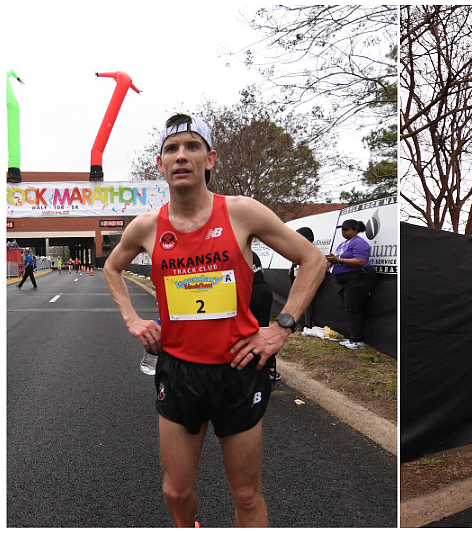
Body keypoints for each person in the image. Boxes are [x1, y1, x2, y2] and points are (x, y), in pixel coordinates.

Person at [103, 113, 326, 527]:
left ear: (210, 159)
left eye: (192, 147)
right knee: (175, 490)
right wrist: (132, 319)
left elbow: (313, 259)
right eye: (172, 149)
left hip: (238, 370)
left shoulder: (243, 212)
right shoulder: (147, 226)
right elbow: (112, 268)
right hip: (180, 370)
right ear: (160, 164)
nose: (181, 156)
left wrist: (283, 327)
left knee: (244, 493)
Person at [325, 219, 377, 350]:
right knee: (350, 308)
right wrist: (332, 261)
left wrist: (339, 260)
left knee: (353, 308)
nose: (344, 232)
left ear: (355, 230)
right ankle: (354, 337)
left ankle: (358, 341)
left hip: (358, 278)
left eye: (347, 229)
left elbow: (360, 261)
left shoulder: (360, 243)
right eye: (342, 229)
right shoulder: (343, 244)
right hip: (344, 280)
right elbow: (340, 259)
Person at [249, 250, 280, 381]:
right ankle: (271, 367)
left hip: (249, 292)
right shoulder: (253, 254)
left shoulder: (236, 251)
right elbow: (261, 271)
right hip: (264, 290)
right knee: (264, 330)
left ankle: (255, 367)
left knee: (249, 332)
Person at [289, 227, 316, 329]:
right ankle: (291, 320)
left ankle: (307, 323)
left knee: (305, 300)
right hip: (296, 277)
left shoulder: (312, 250)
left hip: (305, 278)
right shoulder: (299, 248)